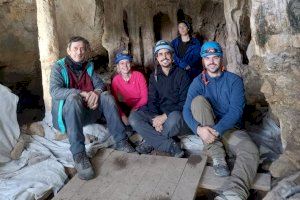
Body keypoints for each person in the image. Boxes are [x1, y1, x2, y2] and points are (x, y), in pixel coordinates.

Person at [50, 36, 135, 180]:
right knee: (73, 98)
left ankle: (121, 141)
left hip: (86, 112)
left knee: (107, 96)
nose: (79, 52)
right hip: (69, 116)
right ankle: (79, 155)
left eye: (82, 49)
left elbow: (100, 84)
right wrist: (81, 93)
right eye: (75, 49)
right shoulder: (58, 67)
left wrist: (96, 93)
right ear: (68, 51)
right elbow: (55, 91)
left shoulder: (87, 66)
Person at [183, 41, 259, 200]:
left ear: (221, 58)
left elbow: (236, 111)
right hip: (207, 127)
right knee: (197, 101)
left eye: (215, 57)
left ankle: (234, 193)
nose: (211, 61)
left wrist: (216, 131)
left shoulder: (234, 80)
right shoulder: (198, 82)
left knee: (250, 150)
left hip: (228, 130)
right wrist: (199, 130)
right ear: (203, 60)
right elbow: (186, 110)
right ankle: (217, 155)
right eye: (207, 57)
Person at [129, 40, 191, 157]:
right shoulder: (154, 76)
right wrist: (155, 119)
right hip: (160, 115)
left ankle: (151, 142)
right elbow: (152, 100)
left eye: (167, 53)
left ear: (172, 56)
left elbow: (185, 102)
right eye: (160, 54)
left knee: (174, 119)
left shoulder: (182, 74)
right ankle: (169, 145)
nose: (164, 57)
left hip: (175, 114)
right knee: (134, 117)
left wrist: (164, 116)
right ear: (157, 58)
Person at [111, 51, 148, 135]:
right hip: (127, 106)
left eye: (127, 62)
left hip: (141, 105)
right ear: (118, 66)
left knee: (135, 119)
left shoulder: (138, 75)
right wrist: (122, 115)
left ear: (130, 64)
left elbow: (145, 98)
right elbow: (115, 101)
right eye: (122, 63)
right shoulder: (116, 80)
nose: (125, 66)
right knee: (117, 118)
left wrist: (134, 109)